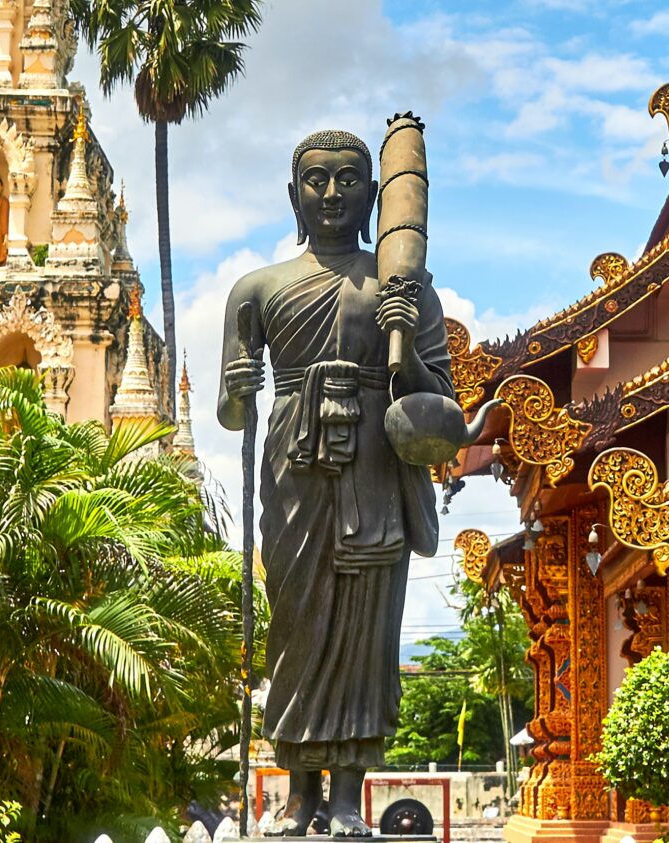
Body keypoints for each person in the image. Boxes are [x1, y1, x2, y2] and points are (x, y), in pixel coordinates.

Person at [219, 131, 457, 839]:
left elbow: (441, 408)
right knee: (296, 627)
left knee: (364, 629)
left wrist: (405, 344)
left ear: (374, 196)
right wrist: (238, 390)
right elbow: (235, 414)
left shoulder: (405, 290)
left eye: (349, 180)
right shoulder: (257, 288)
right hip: (295, 469)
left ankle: (350, 793)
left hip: (375, 468)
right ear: (294, 195)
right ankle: (299, 795)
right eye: (316, 181)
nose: (331, 194)